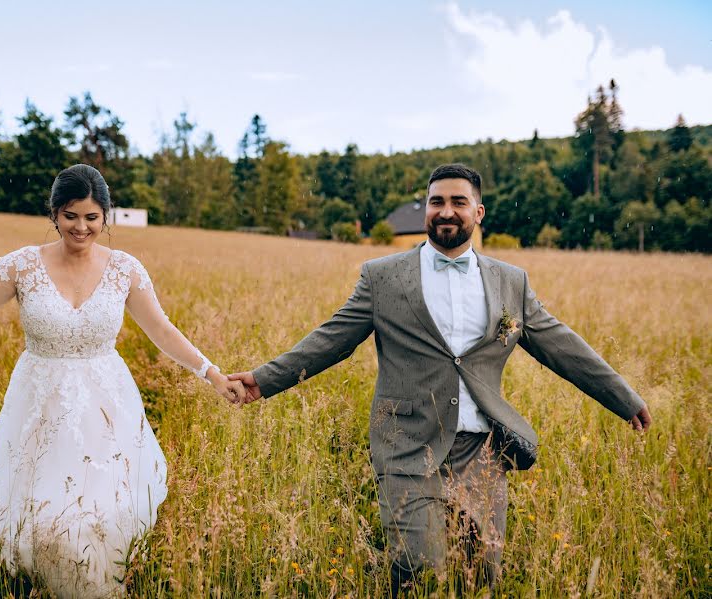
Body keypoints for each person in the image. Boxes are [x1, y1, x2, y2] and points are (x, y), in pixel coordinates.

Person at [227, 163, 651, 595]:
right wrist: (265, 380)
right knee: (418, 564)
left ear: (478, 213)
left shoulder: (510, 282)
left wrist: (622, 396)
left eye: (458, 202)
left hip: (482, 451)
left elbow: (561, 345)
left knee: (482, 574)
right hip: (408, 443)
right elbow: (332, 338)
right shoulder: (383, 276)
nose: (446, 211)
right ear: (426, 209)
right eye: (437, 202)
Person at [0, 164, 245, 598]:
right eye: (71, 216)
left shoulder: (125, 269)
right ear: (54, 213)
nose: (81, 227)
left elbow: (163, 331)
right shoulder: (22, 265)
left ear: (105, 216)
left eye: (91, 217)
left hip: (105, 406)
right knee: (42, 510)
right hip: (39, 401)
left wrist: (213, 374)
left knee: (101, 511)